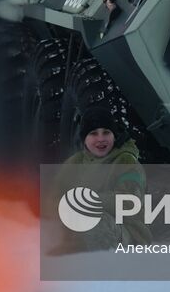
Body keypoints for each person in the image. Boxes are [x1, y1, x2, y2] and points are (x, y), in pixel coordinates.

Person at [48, 107, 152, 253]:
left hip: (128, 234)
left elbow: (130, 202)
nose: (101, 139)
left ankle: (102, 262)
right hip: (79, 232)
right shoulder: (75, 162)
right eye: (93, 133)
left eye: (106, 132)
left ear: (114, 135)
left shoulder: (126, 161)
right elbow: (54, 198)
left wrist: (88, 200)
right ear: (84, 138)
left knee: (94, 220)